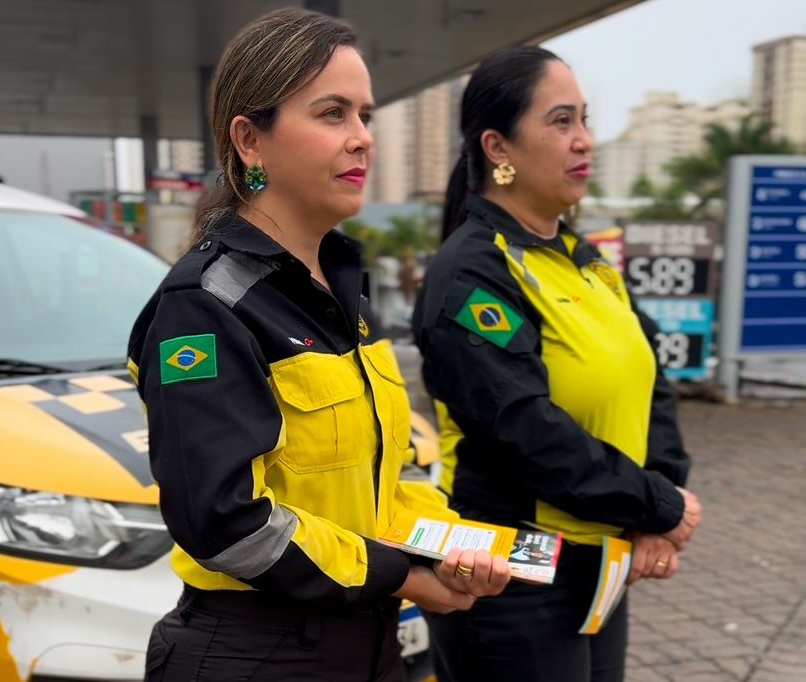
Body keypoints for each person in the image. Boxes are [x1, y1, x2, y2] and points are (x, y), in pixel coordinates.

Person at [127, 9, 509, 682]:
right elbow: (227, 523)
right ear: (251, 139)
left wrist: (460, 546)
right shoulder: (205, 305)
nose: (362, 139)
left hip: (367, 641)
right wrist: (406, 575)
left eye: (366, 115)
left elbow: (381, 484)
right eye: (332, 114)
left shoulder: (346, 294)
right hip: (255, 654)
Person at [410, 46, 703, 682]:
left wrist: (660, 504)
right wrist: (655, 503)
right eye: (561, 121)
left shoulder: (584, 258)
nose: (584, 141)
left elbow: (650, 382)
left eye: (585, 120)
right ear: (498, 146)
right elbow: (524, 429)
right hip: (510, 568)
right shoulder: (472, 272)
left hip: (602, 559)